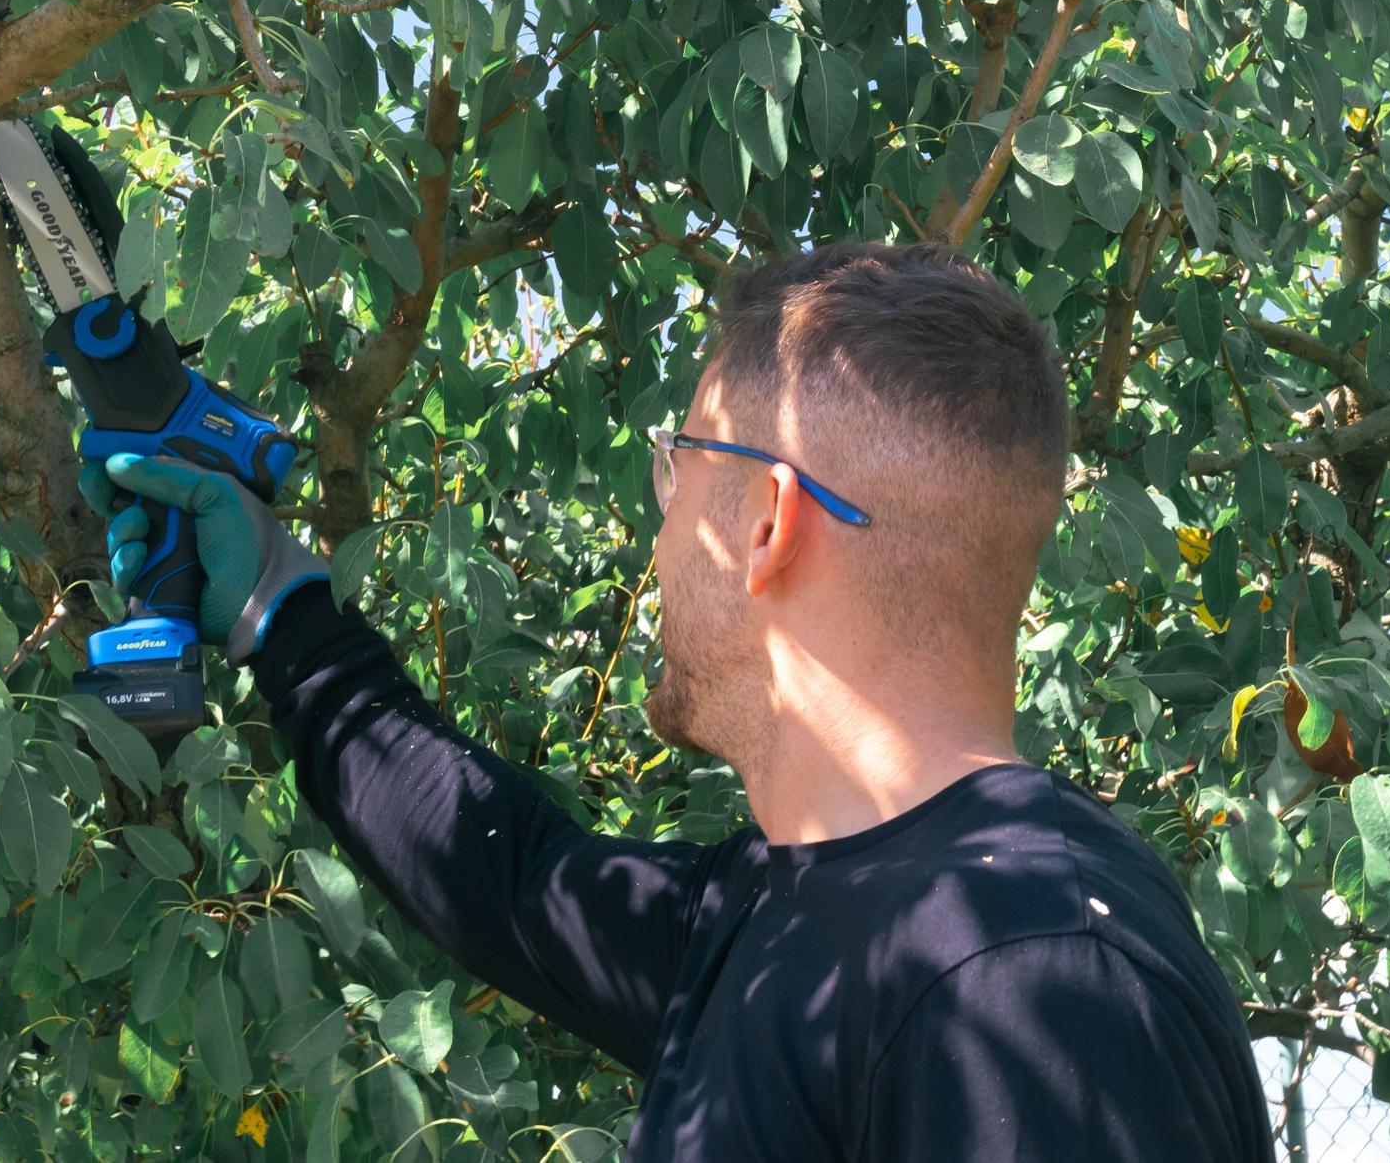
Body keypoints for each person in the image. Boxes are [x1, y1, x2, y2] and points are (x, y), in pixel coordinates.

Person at [80, 241, 1274, 1161]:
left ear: (764, 523)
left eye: (676, 467)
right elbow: (513, 879)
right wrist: (282, 617)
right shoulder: (794, 916)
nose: (657, 531)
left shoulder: (1028, 981)